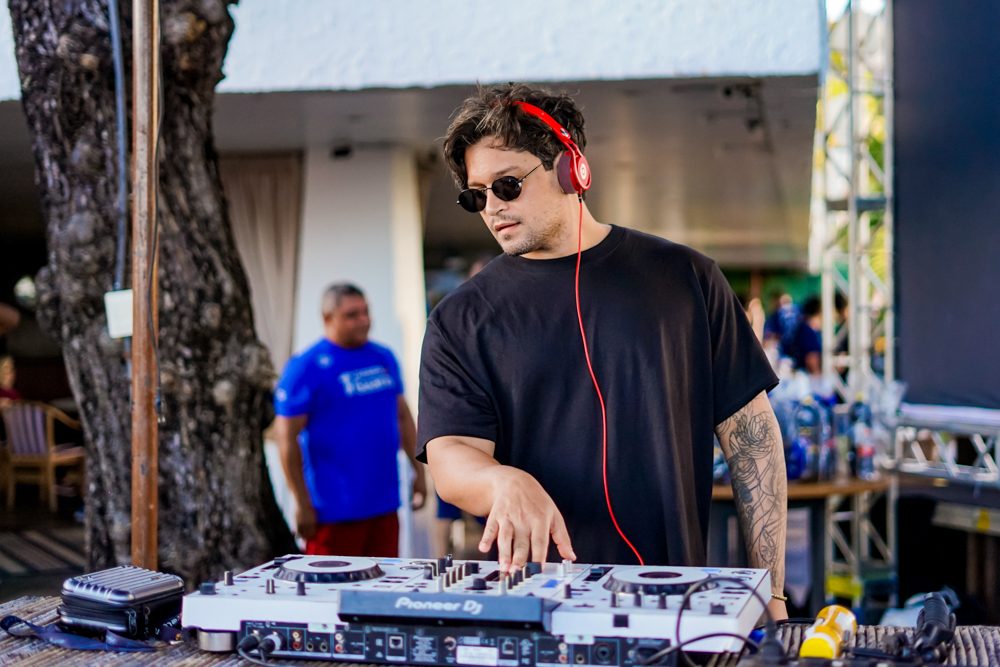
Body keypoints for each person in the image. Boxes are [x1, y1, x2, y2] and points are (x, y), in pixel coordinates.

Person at [416, 83, 788, 619]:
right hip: (537, 614)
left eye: (507, 185)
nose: (492, 207)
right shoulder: (460, 319)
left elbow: (752, 442)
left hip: (674, 608)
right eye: (477, 195)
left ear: (571, 170)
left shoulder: (686, 279)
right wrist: (499, 479)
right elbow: (451, 454)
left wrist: (772, 593)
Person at [272, 283, 426, 557]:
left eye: (366, 312)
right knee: (332, 584)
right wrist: (301, 503)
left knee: (384, 581)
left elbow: (402, 417)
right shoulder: (306, 366)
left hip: (384, 506)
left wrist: (420, 472)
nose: (364, 320)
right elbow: (286, 437)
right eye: (352, 315)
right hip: (332, 514)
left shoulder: (383, 357)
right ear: (328, 318)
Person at [785, 296, 822, 375]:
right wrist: (817, 374)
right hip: (806, 375)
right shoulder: (807, 331)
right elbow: (811, 358)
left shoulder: (804, 328)